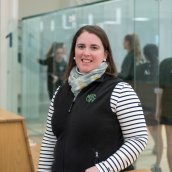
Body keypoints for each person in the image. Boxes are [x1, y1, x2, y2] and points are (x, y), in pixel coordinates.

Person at [38, 25, 148, 172]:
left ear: (105, 55)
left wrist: (103, 168)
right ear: (74, 52)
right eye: (81, 46)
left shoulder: (120, 90)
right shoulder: (61, 91)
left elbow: (138, 139)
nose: (86, 52)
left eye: (94, 47)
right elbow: (50, 141)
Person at [135, 44, 163, 172]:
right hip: (151, 102)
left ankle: (158, 156)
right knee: (153, 128)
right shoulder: (144, 67)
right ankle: (157, 149)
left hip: (151, 102)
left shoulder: (156, 67)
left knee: (154, 129)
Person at [156, 57, 172, 172]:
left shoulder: (165, 63)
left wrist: (158, 108)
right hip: (168, 106)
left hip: (167, 106)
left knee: (170, 140)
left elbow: (159, 89)